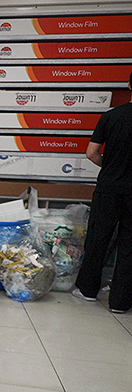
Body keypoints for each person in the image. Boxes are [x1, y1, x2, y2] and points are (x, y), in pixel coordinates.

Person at [72, 71, 132, 313]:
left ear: (129, 85)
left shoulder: (111, 116)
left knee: (98, 239)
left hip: (108, 188)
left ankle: (87, 290)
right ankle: (120, 302)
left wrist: (109, 166)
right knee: (129, 247)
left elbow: (91, 153)